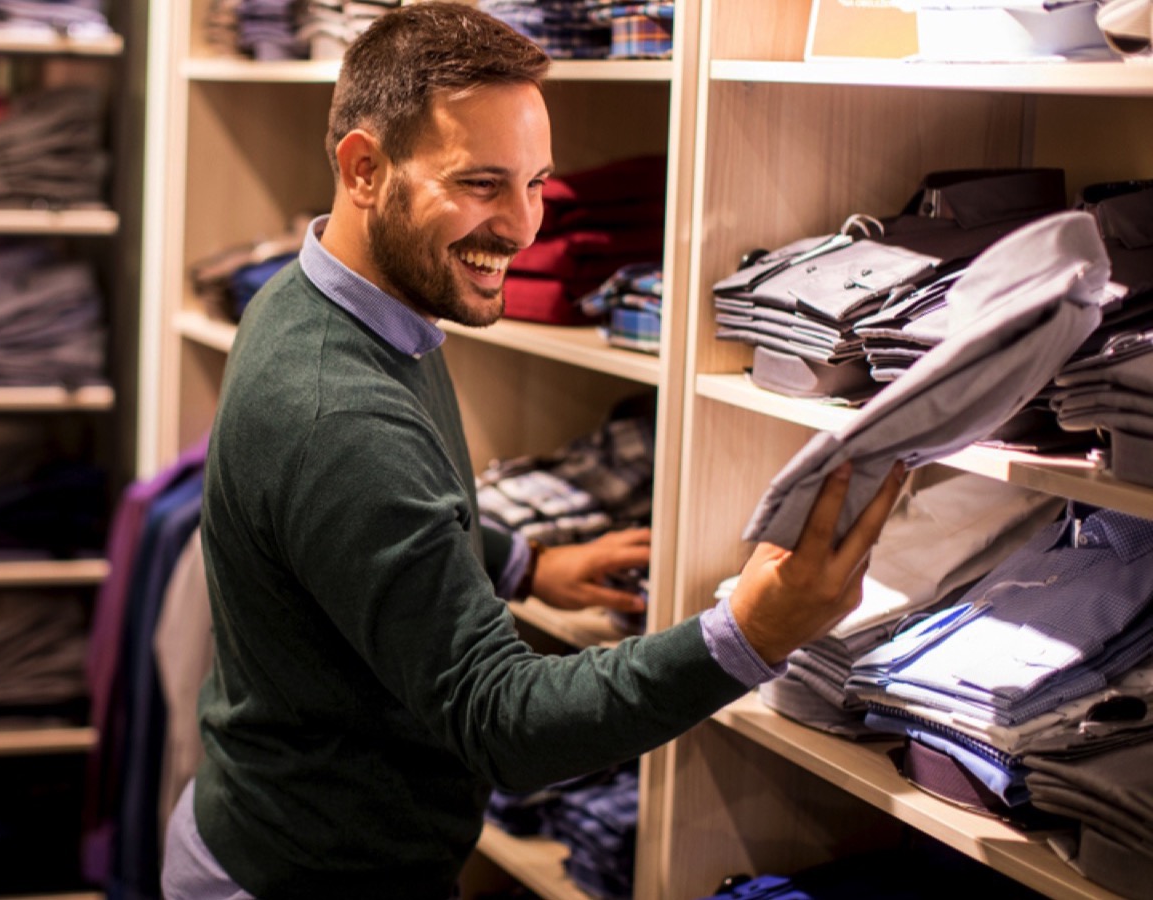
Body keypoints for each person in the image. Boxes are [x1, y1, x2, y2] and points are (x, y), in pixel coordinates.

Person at [162, 5, 905, 898]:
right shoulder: (339, 410)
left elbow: (374, 531)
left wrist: (526, 561)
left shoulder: (319, 299)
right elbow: (500, 719)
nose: (523, 227)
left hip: (273, 832)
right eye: (481, 184)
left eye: (536, 183)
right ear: (364, 169)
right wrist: (748, 637)